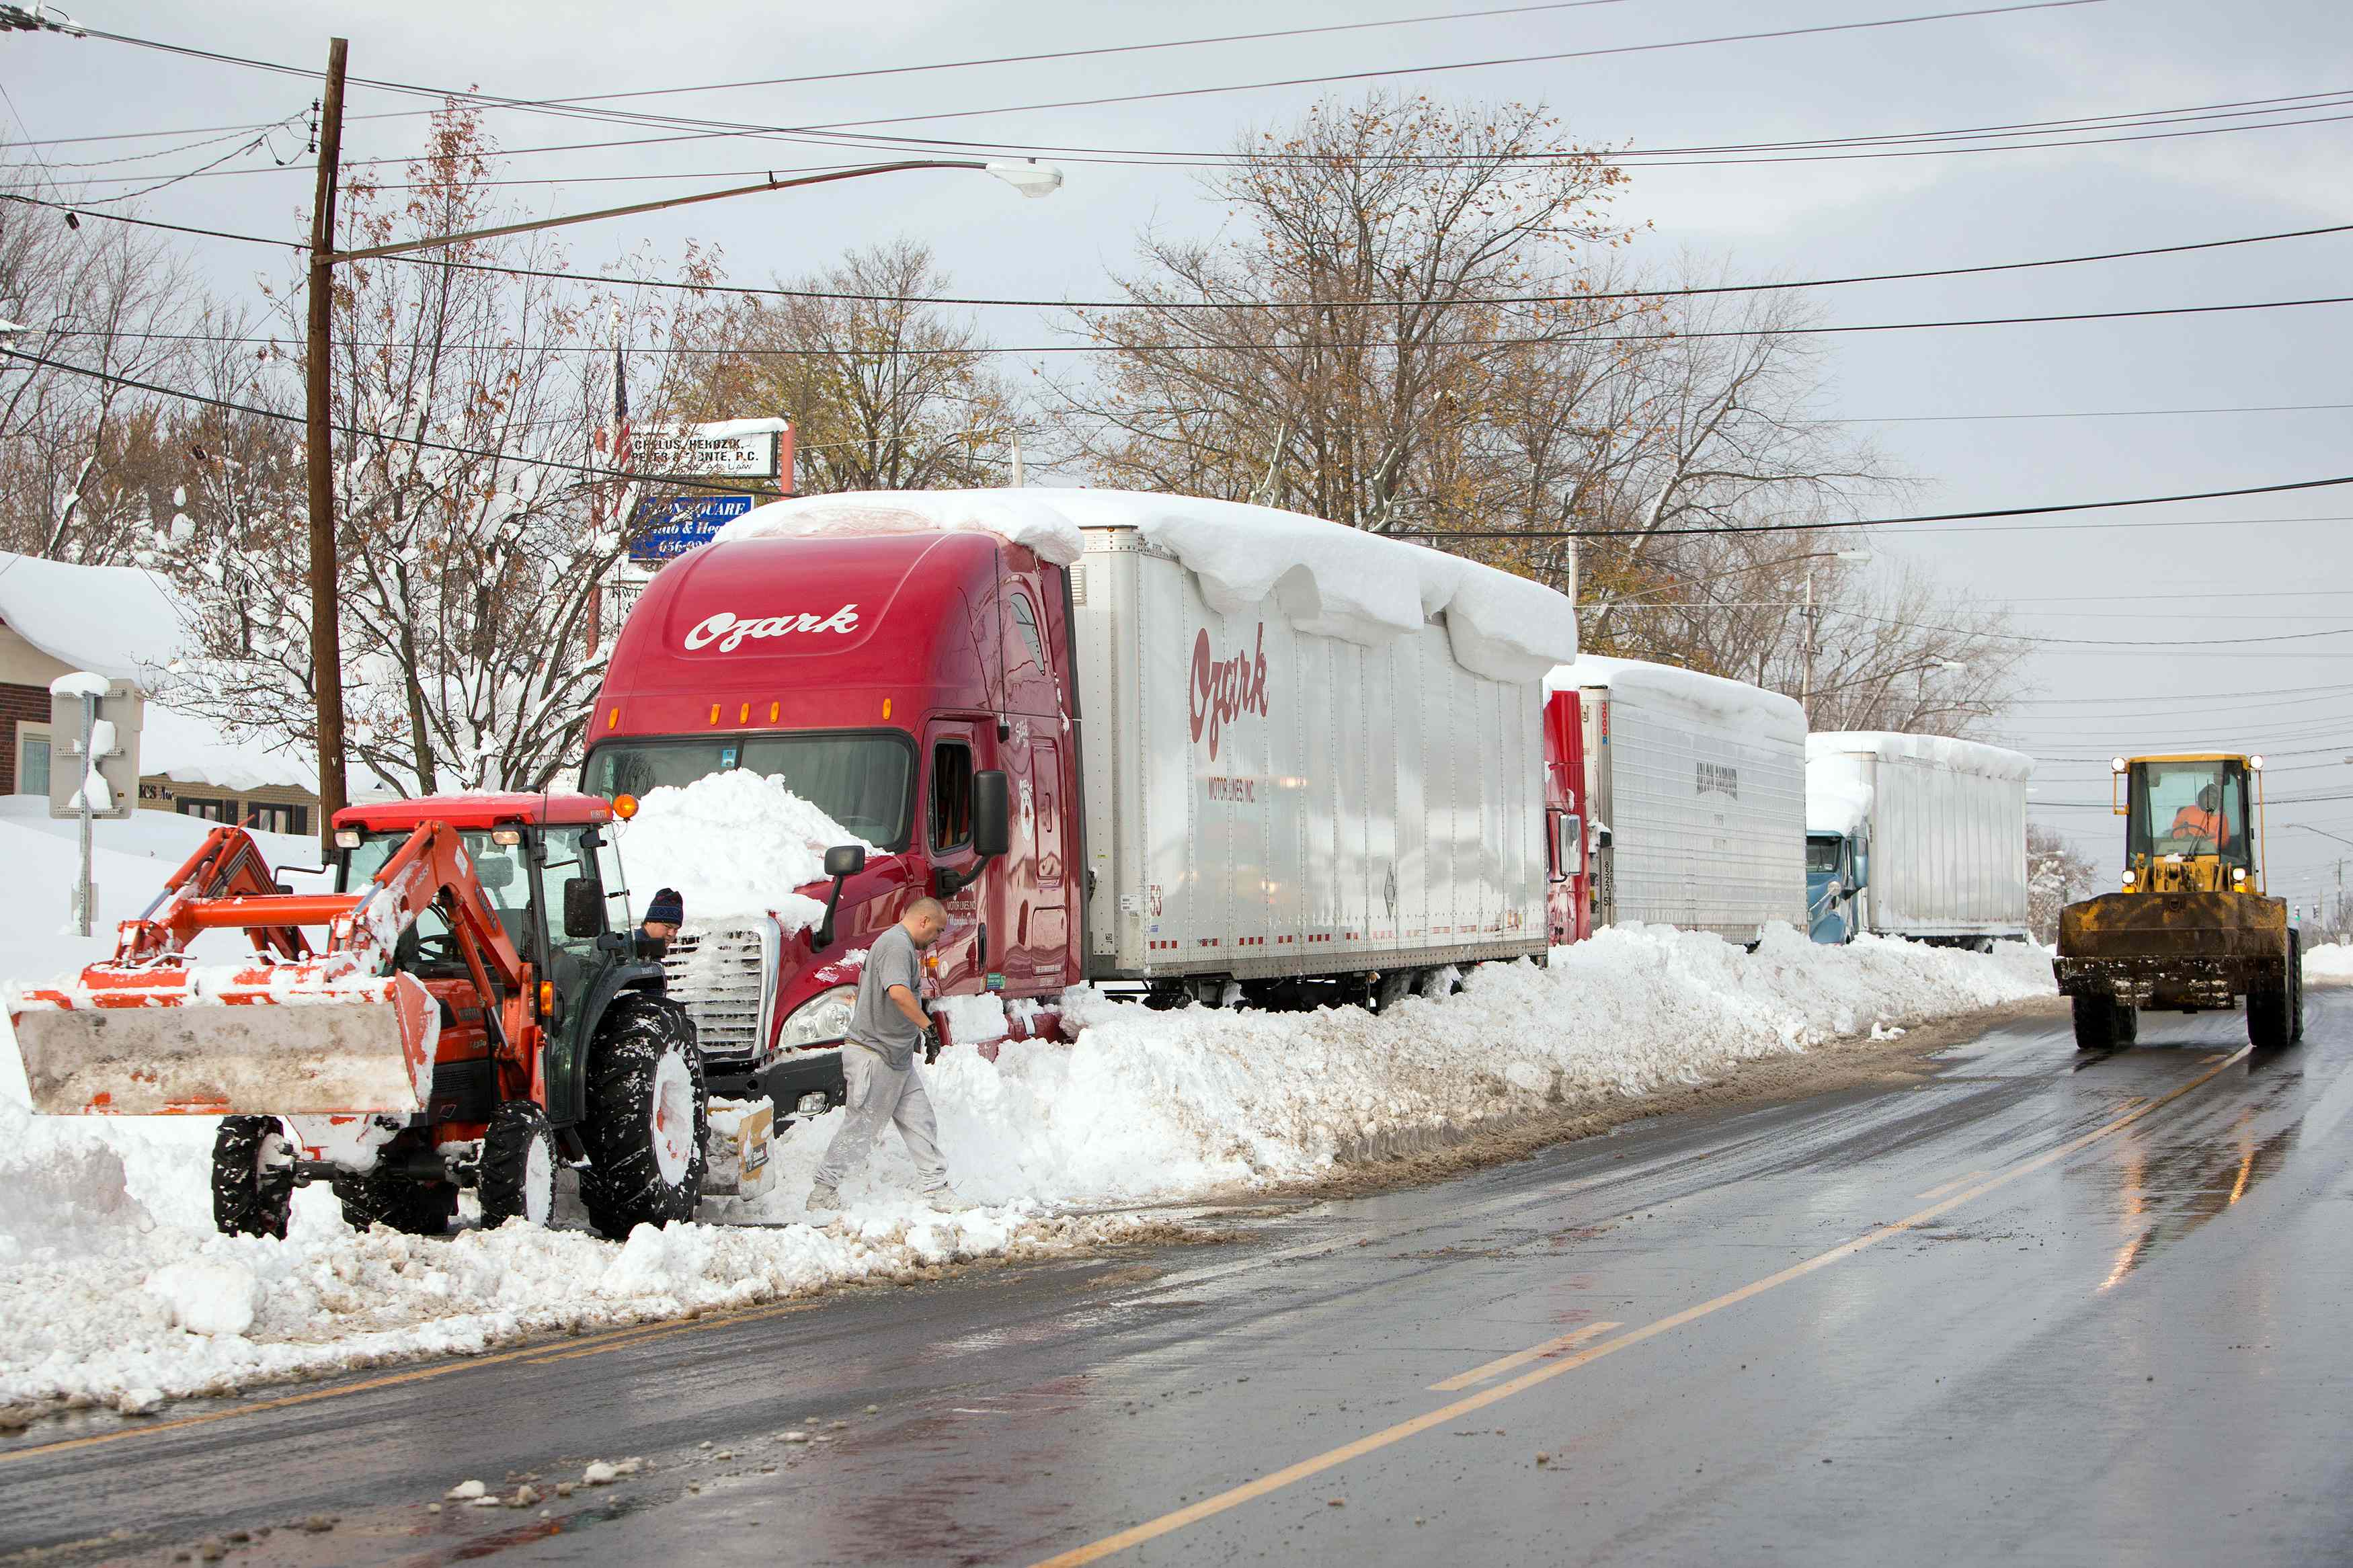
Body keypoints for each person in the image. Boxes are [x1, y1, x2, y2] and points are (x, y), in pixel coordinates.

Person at [807, 897, 955, 1215]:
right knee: (861, 1128)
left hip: (897, 1057)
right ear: (924, 922)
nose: (938, 939)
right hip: (875, 1056)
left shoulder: (900, 946)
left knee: (920, 1120)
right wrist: (927, 1028)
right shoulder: (896, 946)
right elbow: (898, 992)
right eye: (938, 931)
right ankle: (823, 1191)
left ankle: (936, 1187)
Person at [2169, 784, 2231, 851]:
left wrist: (2203, 843)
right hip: (2184, 850)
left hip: (2209, 853)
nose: (2212, 799)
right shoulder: (2188, 811)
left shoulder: (2221, 817)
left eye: (2215, 798)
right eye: (2209, 796)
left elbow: (2223, 841)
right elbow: (2175, 830)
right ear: (2201, 797)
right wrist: (2184, 835)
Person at [639, 887, 684, 957]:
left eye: (676, 929)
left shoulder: (652, 950)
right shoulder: (629, 950)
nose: (671, 934)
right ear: (649, 922)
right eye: (667, 926)